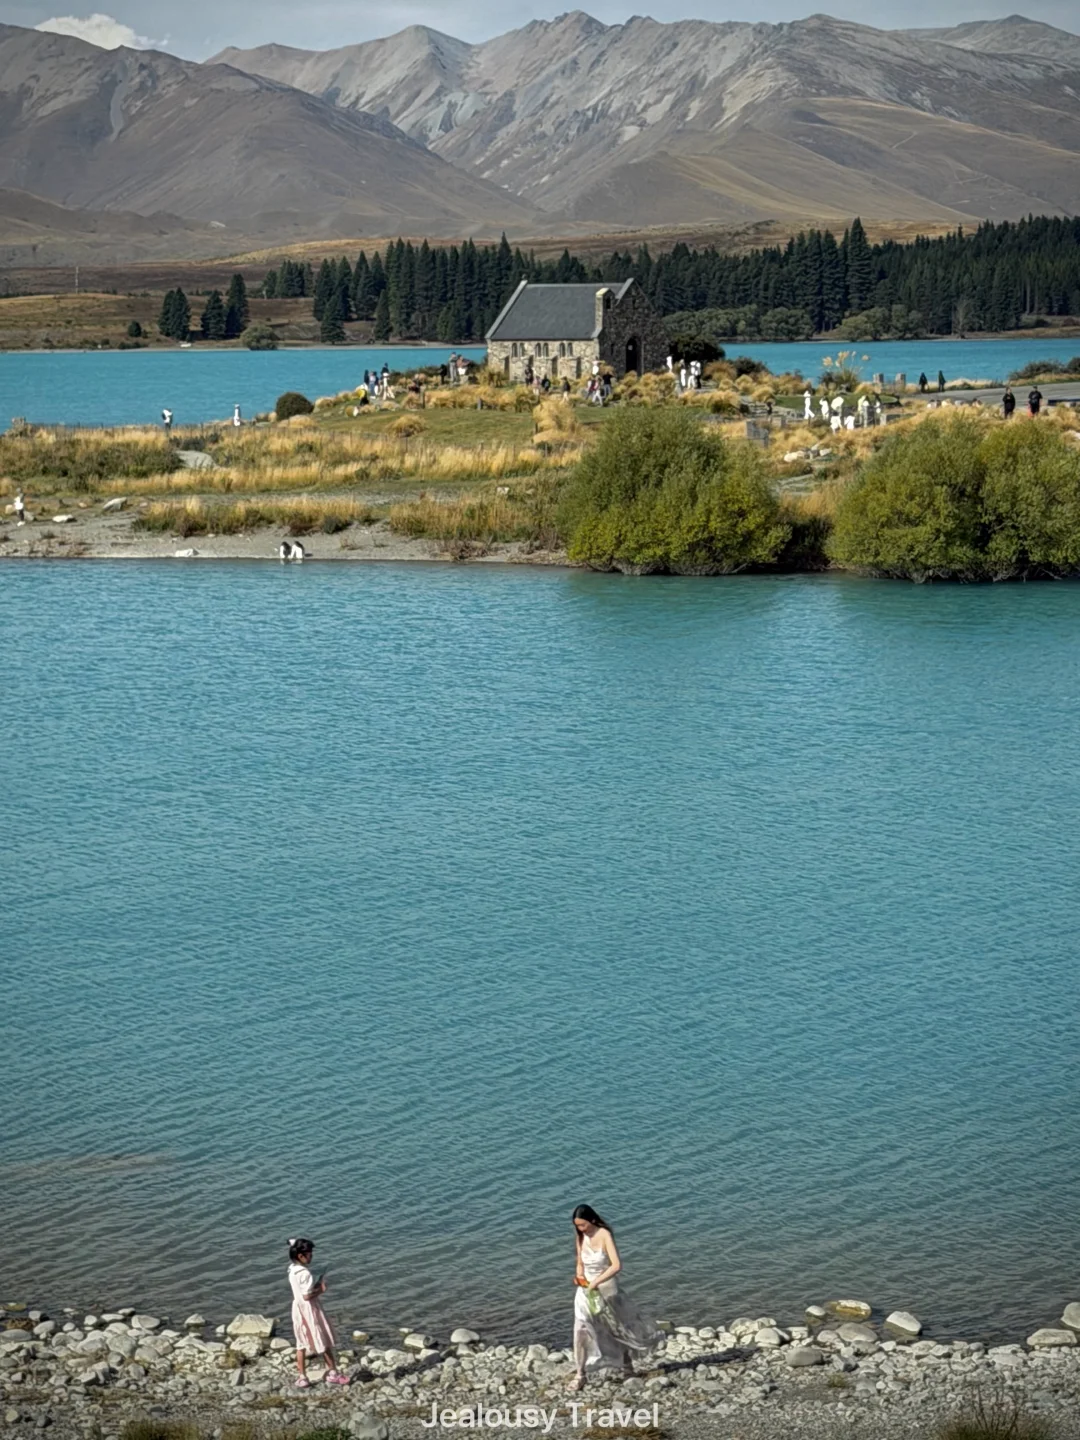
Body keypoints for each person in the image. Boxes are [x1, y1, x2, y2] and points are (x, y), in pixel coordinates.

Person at [569, 1205, 659, 1393]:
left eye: (583, 1225)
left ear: (592, 1220)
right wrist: (580, 1276)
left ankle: (627, 1367)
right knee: (581, 1329)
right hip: (585, 1291)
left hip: (606, 1289)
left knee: (616, 1329)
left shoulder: (604, 1235)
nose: (581, 1229)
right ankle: (580, 1374)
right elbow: (580, 1263)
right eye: (577, 1226)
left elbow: (616, 1265)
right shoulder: (581, 1237)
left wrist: (596, 1282)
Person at [287, 1238, 349, 1388]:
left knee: (301, 1343)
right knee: (323, 1338)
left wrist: (314, 1286)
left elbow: (302, 1292)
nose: (311, 1256)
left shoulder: (292, 1269)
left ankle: (302, 1377)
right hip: (310, 1310)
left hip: (297, 1309)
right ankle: (333, 1373)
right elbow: (307, 1296)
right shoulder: (305, 1273)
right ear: (301, 1256)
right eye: (309, 1254)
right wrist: (320, 1289)